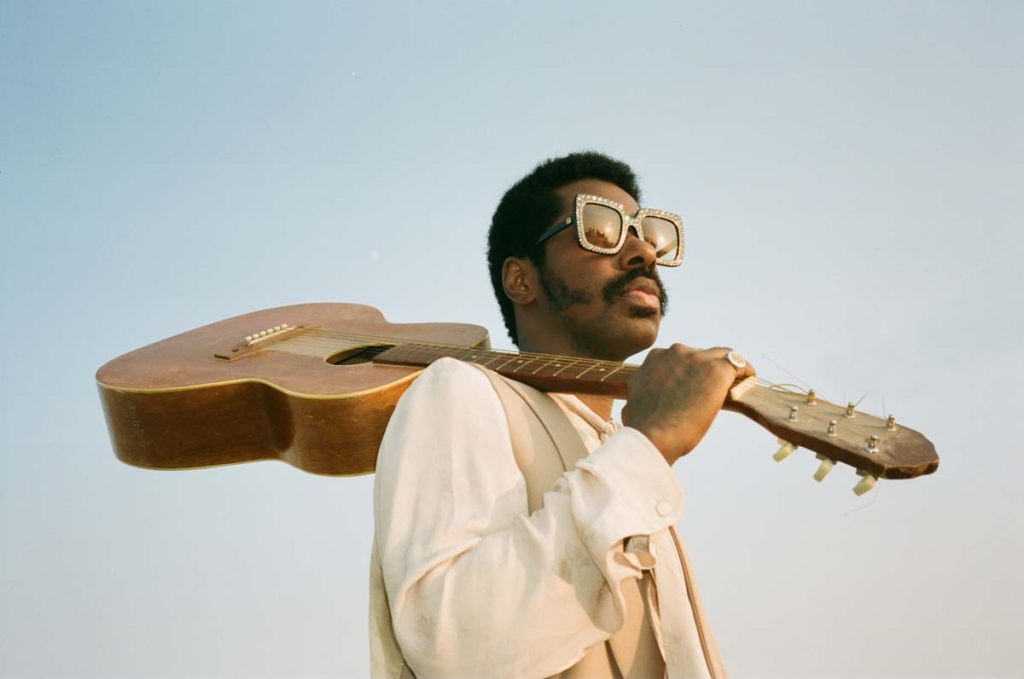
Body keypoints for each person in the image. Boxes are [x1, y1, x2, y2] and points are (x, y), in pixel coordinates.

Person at [369, 152, 755, 678]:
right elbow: (452, 642)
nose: (642, 251)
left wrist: (639, 449)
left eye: (649, 234)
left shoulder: (623, 450)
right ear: (520, 279)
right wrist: (652, 443)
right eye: (601, 229)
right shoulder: (461, 388)